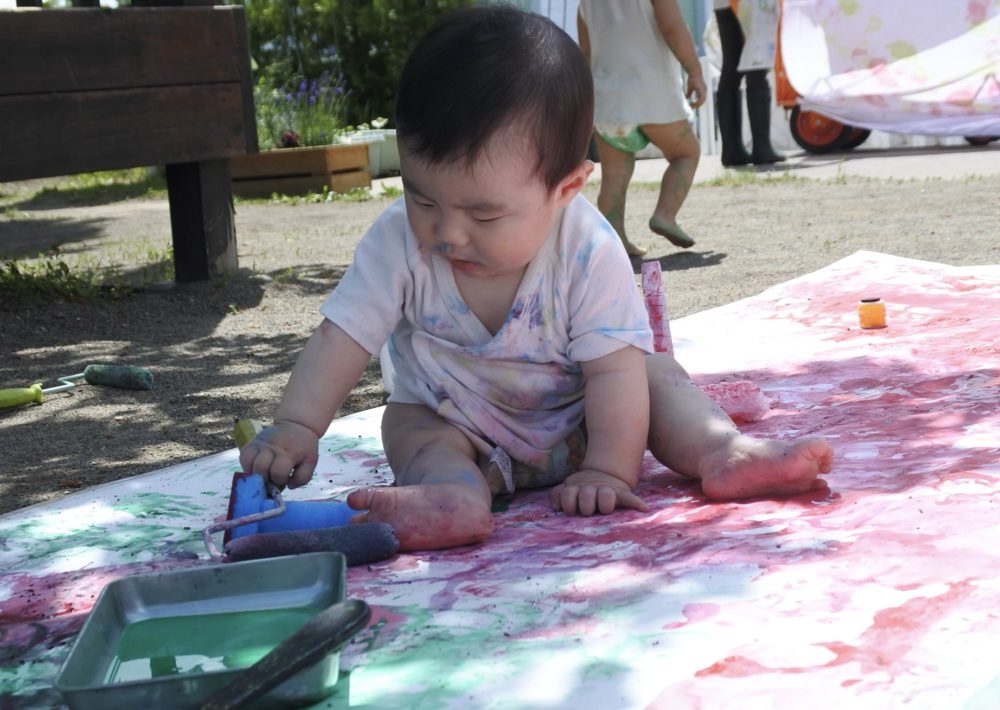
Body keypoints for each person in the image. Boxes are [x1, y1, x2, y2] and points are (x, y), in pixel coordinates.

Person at [240, 6, 834, 552]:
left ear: (566, 189)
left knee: (654, 377)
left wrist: (608, 469)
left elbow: (612, 372)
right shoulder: (397, 240)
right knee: (410, 423)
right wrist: (297, 425)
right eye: (422, 199)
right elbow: (342, 336)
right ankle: (452, 497)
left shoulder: (588, 247)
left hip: (586, 420)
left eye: (483, 215)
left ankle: (722, 452)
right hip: (456, 421)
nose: (449, 232)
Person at [577, 0, 707, 258]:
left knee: (614, 175)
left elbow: (585, 52)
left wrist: (587, 101)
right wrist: (694, 71)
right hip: (652, 94)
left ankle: (614, 244)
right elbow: (672, 27)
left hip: (609, 100)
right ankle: (665, 215)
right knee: (685, 154)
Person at [713, 0, 785, 166]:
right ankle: (762, 147)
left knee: (731, 68)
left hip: (723, 4)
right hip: (754, 4)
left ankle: (731, 151)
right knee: (756, 65)